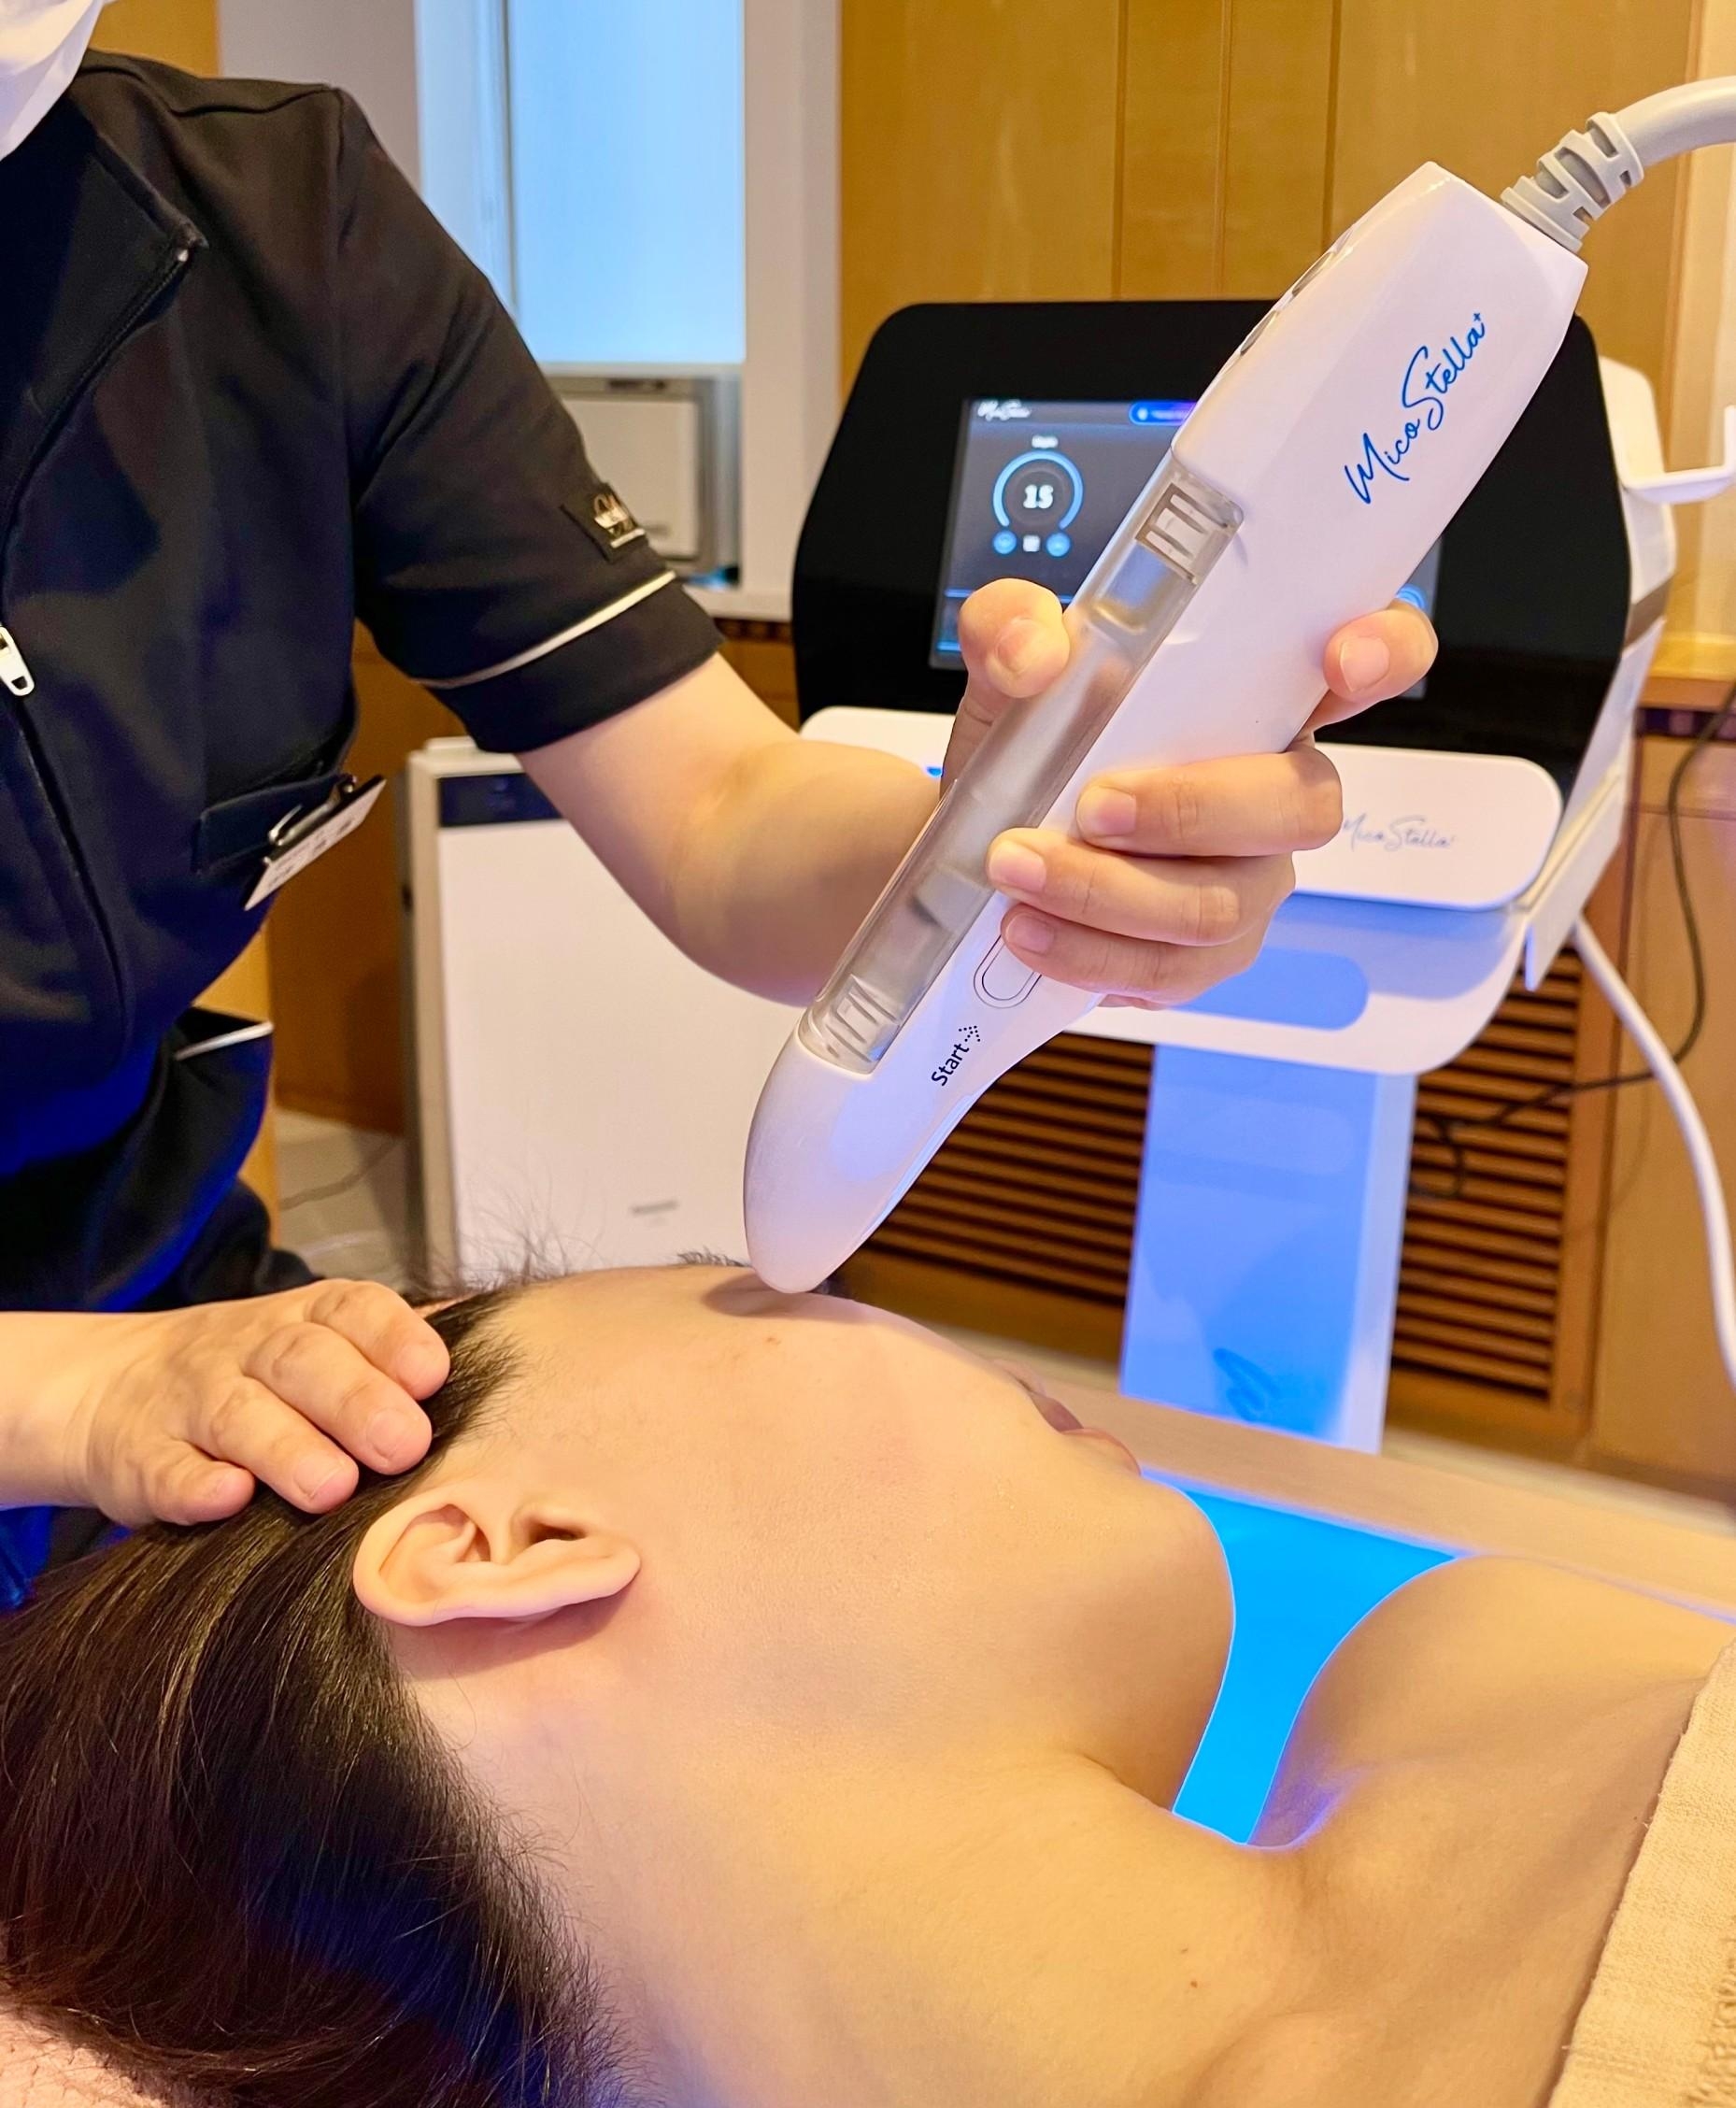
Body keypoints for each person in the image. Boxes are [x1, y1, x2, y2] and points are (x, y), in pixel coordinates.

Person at [0, 4, 1439, 1563]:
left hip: (160, 1303)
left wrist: (997, 851)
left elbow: (714, 813)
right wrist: (76, 1396)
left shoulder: (281, 230)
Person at [1, 1264, 1728, 2108]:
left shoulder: (1488, 1676)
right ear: (508, 1543)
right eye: (754, 1285)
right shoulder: (1532, 1694)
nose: (873, 1298)